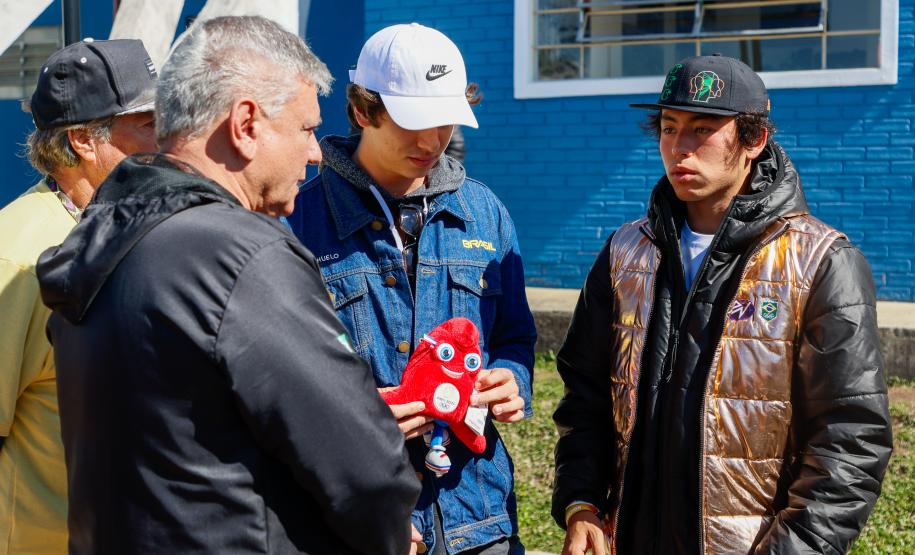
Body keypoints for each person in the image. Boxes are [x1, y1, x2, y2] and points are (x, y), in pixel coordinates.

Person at [36, 16, 419, 554]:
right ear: (246, 123)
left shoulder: (104, 239)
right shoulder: (241, 255)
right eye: (307, 129)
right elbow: (364, 466)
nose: (316, 153)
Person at [551, 54, 893, 555]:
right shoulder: (627, 253)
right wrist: (580, 501)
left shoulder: (819, 261)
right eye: (669, 128)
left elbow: (850, 438)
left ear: (754, 140)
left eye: (703, 129)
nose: (679, 148)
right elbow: (586, 396)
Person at [289, 23, 536, 555]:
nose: (431, 141)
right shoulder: (298, 219)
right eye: (413, 122)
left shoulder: (485, 213)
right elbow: (275, 377)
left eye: (445, 121)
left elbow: (515, 337)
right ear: (362, 111)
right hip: (355, 517)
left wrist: (511, 380)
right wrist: (351, 416)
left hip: (478, 518)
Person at [0, 38, 157, 554]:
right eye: (148, 123)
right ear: (85, 140)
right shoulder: (17, 256)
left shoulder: (138, 226)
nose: (170, 139)